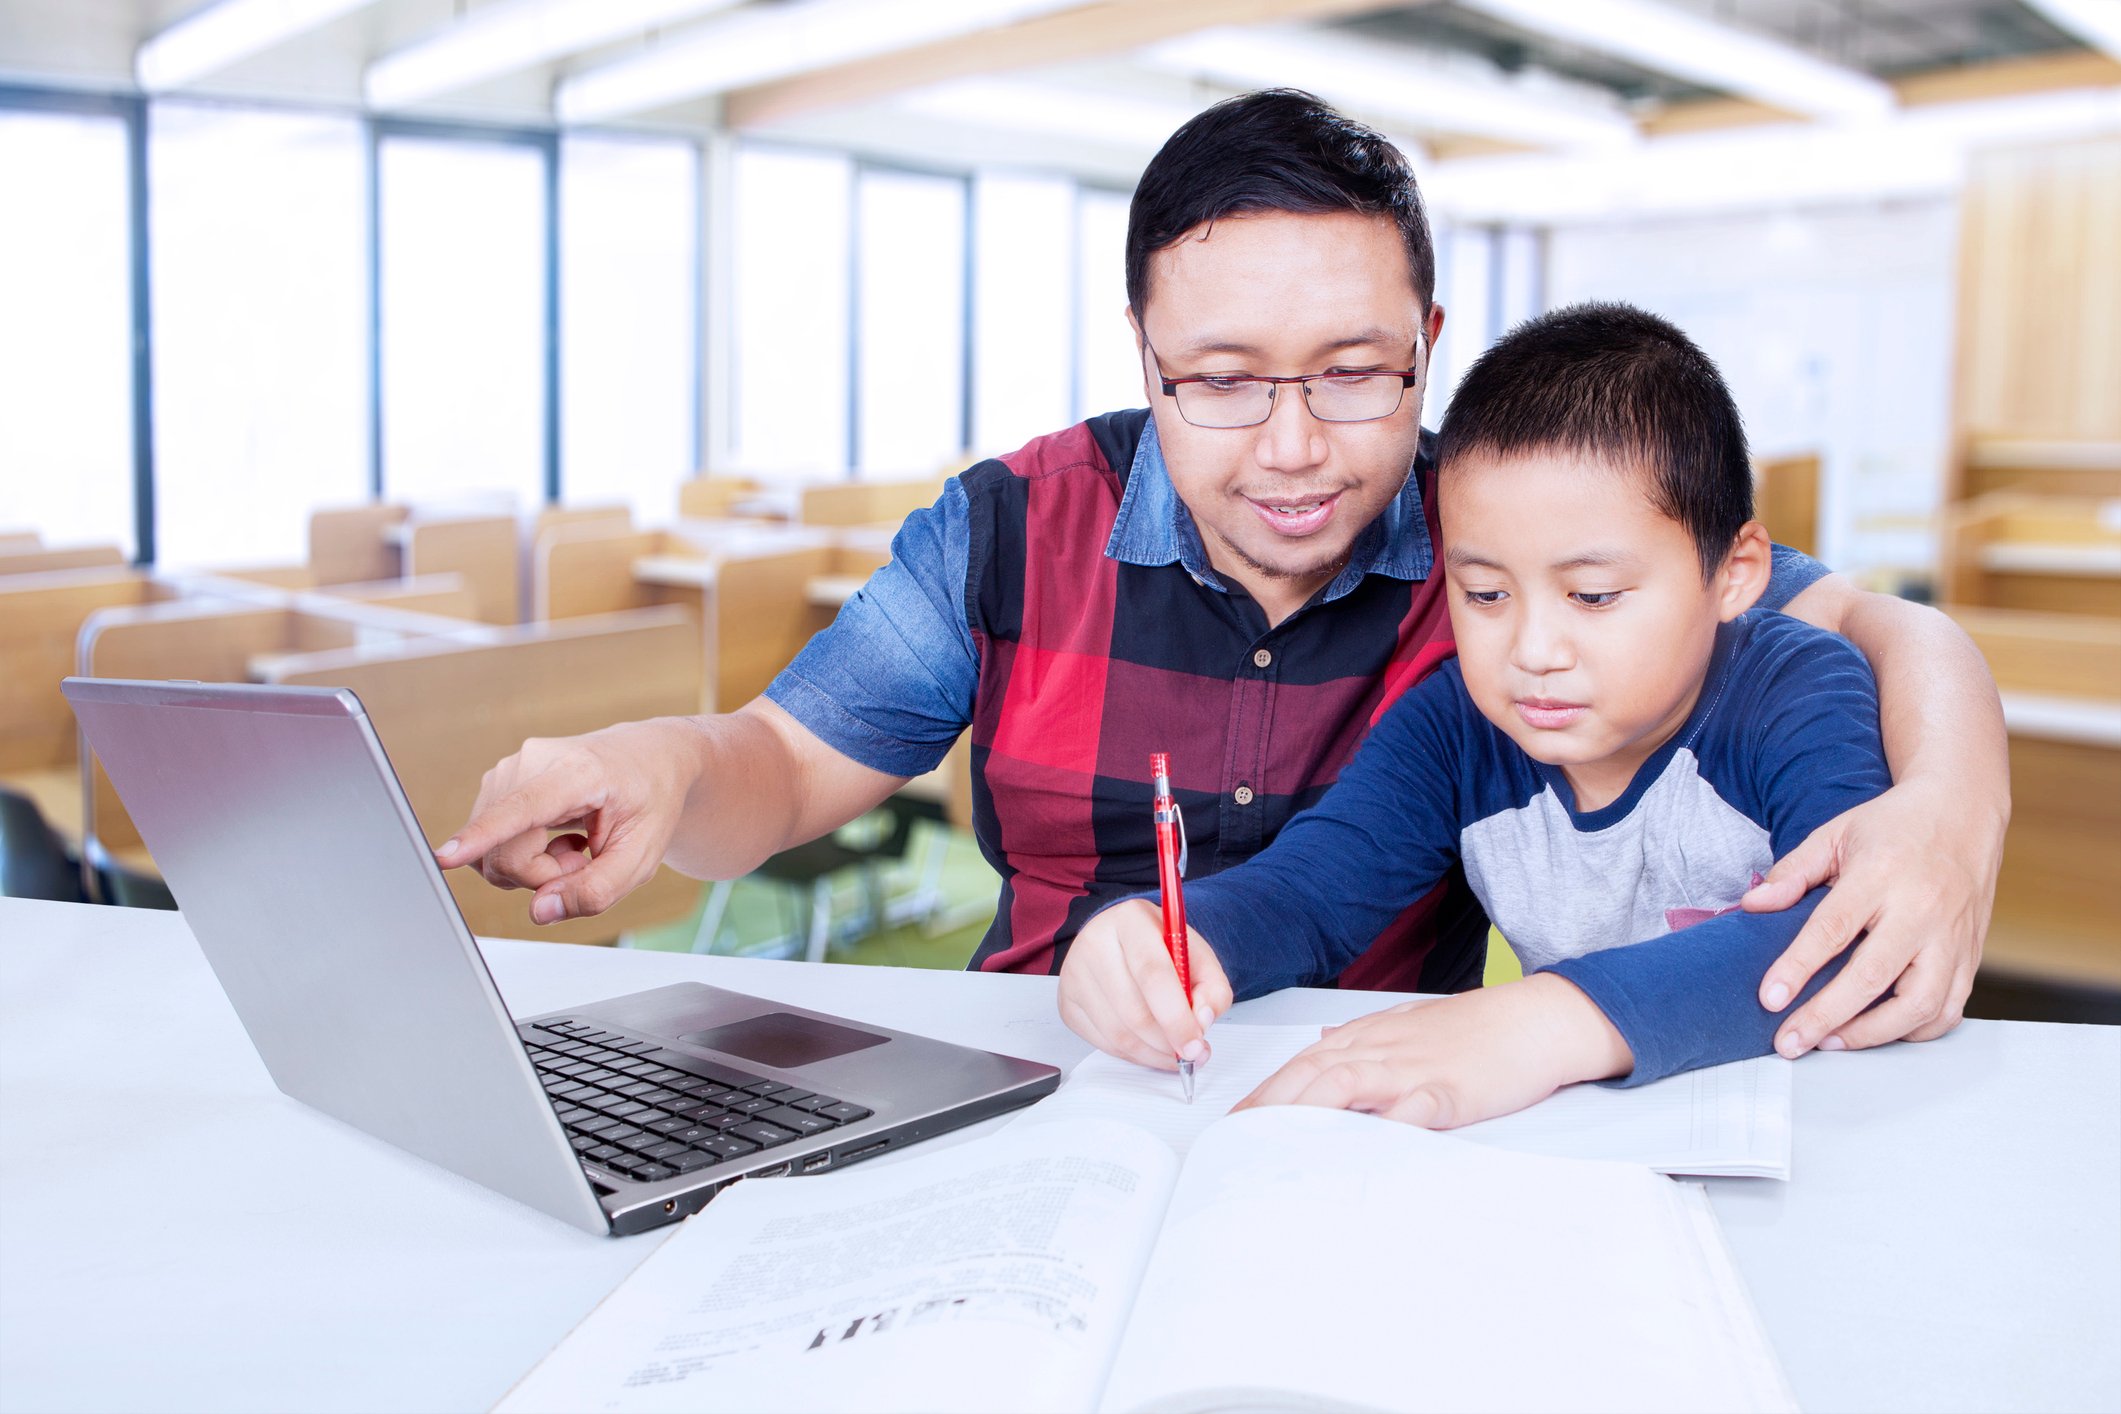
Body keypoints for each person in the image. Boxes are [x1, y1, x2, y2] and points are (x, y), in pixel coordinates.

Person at [436, 89, 2006, 1063]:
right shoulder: (1005, 524)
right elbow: (775, 762)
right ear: (1146, 357)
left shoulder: (1513, 520)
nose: (1296, 447)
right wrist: (649, 763)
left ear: (1425, 352)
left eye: (1352, 374)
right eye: (1225, 380)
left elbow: (1866, 624)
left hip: (1368, 1103)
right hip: (1049, 1071)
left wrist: (1948, 805)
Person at [1060, 301, 1890, 1124]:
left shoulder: (1799, 691)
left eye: (1593, 596)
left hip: (1821, 1133)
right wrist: (1166, 936)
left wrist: (1541, 1019)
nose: (1532, 648)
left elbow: (1851, 927)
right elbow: (1311, 890)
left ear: (1735, 573)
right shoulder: (1455, 727)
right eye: (1484, 593)